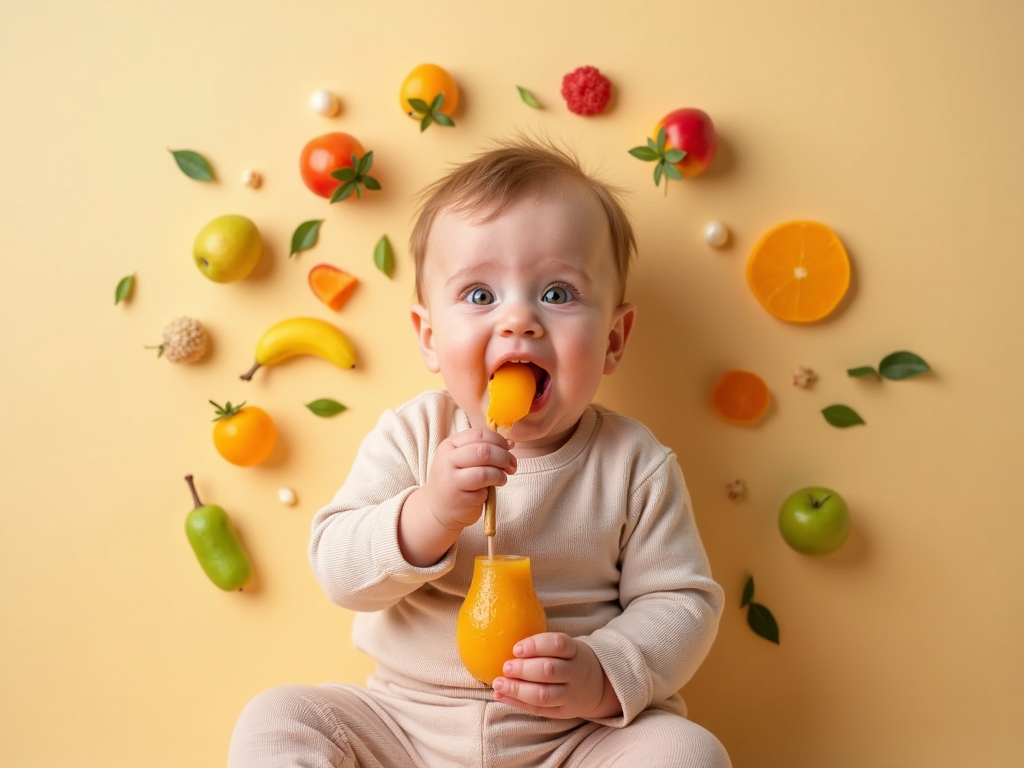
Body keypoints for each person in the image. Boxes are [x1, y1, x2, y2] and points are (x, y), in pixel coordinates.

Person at [228, 137, 730, 768]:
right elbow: (338, 568)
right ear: (429, 337)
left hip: (573, 740)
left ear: (613, 339)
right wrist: (429, 513)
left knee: (686, 752)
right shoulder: (413, 434)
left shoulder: (634, 464)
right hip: (404, 731)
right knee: (278, 718)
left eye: (557, 294)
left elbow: (681, 602)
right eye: (480, 295)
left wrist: (603, 672)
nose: (519, 321)